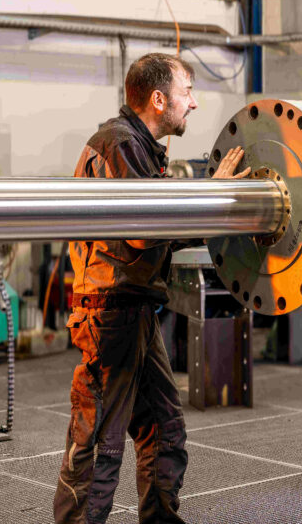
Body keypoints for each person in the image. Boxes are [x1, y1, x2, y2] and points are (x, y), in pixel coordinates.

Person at [54, 53, 248, 524]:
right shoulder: (119, 144)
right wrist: (213, 194)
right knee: (100, 442)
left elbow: (159, 227)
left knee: (164, 431)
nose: (195, 104)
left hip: (135, 309)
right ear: (159, 99)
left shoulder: (138, 146)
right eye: (187, 92)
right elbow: (145, 230)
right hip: (110, 313)